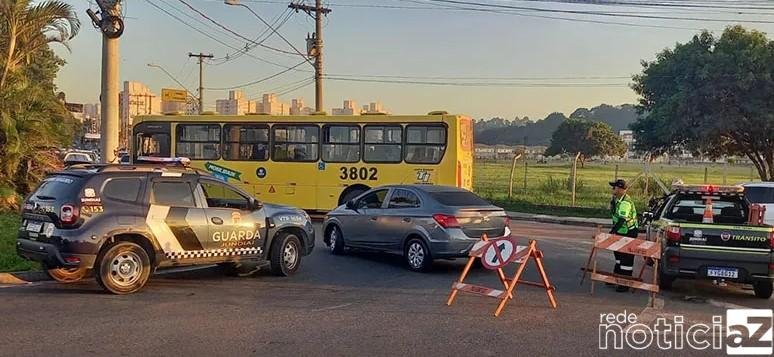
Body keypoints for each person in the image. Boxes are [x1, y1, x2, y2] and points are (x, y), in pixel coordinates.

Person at [609, 179, 639, 292]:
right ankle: (616, 277)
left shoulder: (625, 202)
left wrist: (613, 231)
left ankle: (625, 283)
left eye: (615, 187)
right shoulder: (617, 200)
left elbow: (622, 219)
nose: (613, 189)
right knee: (618, 254)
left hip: (628, 232)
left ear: (621, 189)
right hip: (622, 231)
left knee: (626, 258)